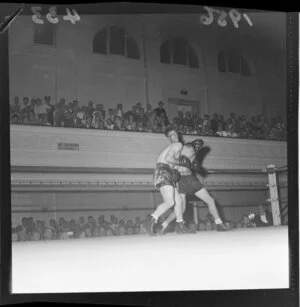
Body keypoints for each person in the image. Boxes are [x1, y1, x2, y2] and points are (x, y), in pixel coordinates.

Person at [157, 137, 230, 235]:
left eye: (194, 151)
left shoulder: (193, 155)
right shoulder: (177, 152)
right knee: (181, 208)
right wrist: (172, 173)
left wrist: (196, 167)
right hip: (180, 181)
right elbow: (169, 164)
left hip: (191, 180)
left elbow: (191, 165)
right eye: (192, 151)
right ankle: (163, 226)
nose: (193, 153)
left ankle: (219, 224)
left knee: (210, 200)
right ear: (186, 148)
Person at [141, 128, 193, 235]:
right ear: (170, 139)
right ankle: (149, 220)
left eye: (175, 133)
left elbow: (171, 163)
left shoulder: (175, 149)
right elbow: (169, 159)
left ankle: (180, 225)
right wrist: (182, 162)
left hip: (163, 172)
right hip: (163, 171)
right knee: (170, 202)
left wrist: (181, 166)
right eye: (171, 135)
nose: (175, 136)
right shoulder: (178, 144)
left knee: (178, 201)